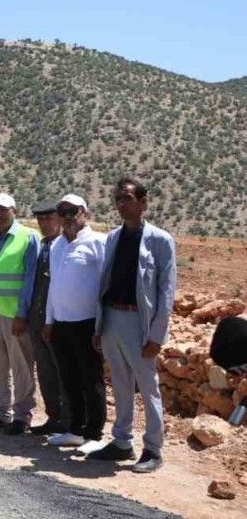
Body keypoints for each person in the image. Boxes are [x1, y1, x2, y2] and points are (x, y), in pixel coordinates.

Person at [87, 179, 176, 473]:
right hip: (112, 317)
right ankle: (122, 442)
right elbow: (105, 282)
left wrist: (157, 335)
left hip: (140, 322)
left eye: (127, 198)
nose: (121, 204)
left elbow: (166, 291)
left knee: (148, 387)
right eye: (118, 198)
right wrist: (99, 326)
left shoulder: (160, 240)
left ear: (143, 202)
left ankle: (153, 449)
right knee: (121, 384)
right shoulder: (113, 237)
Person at [43, 194, 108, 451]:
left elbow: (104, 287)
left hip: (87, 323)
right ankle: (75, 430)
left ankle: (94, 434)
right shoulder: (57, 246)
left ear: (85, 214)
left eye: (73, 211)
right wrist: (49, 321)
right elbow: (54, 285)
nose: (68, 217)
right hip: (61, 323)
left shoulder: (98, 242)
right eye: (63, 212)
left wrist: (100, 326)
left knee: (91, 379)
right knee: (69, 379)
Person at [0, 193, 40, 434]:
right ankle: (0, 412)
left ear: (14, 211)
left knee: (21, 365)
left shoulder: (28, 237)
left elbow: (30, 278)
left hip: (15, 313)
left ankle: (22, 415)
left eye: (3, 210)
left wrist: (22, 313)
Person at [28, 201, 70, 437]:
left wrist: (50, 320)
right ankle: (53, 417)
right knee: (45, 372)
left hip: (55, 321)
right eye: (40, 219)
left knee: (62, 372)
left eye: (49, 218)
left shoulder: (64, 247)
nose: (44, 223)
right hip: (37, 318)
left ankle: (69, 420)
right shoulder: (42, 246)